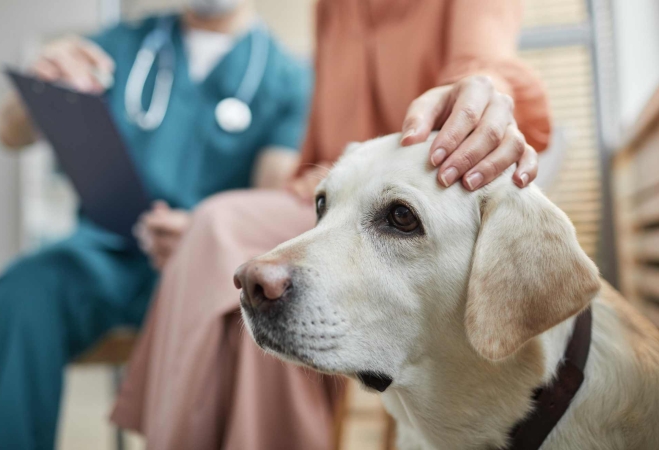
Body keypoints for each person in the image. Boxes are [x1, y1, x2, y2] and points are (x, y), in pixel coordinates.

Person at [110, 0, 551, 449]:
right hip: (331, 204)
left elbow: (484, 63)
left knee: (220, 229)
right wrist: (224, 229)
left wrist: (480, 94)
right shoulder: (332, 6)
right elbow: (317, 161)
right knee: (224, 247)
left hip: (423, 216)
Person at [0, 1, 311, 448]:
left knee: (242, 336)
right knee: (18, 294)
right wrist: (40, 82)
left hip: (202, 268)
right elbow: (8, 133)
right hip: (101, 256)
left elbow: (267, 196)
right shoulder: (123, 46)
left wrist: (201, 230)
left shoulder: (287, 78)